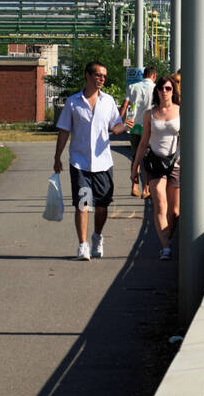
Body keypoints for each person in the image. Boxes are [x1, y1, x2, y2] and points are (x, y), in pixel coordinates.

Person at [54, 61, 126, 260]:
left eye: (104, 75)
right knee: (83, 204)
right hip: (80, 163)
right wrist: (57, 156)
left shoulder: (109, 101)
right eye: (98, 75)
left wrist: (126, 126)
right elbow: (64, 131)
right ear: (87, 75)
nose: (102, 78)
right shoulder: (73, 102)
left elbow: (115, 127)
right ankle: (83, 245)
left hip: (103, 163)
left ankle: (97, 236)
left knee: (102, 206)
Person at [131, 75, 181, 261]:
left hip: (175, 163)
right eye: (161, 89)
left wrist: (182, 158)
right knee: (160, 202)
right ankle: (165, 247)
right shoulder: (150, 114)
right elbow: (144, 142)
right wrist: (135, 167)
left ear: (173, 91)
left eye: (168, 88)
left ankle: (167, 235)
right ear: (157, 92)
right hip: (155, 162)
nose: (165, 92)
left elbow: (187, 137)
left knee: (175, 211)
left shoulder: (180, 111)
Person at [124, 66, 157, 198]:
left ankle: (134, 186)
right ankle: (146, 189)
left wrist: (122, 122)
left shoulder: (133, 87)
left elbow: (125, 104)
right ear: (154, 76)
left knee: (135, 157)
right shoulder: (156, 88)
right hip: (149, 126)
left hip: (134, 126)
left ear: (144, 75)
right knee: (147, 159)